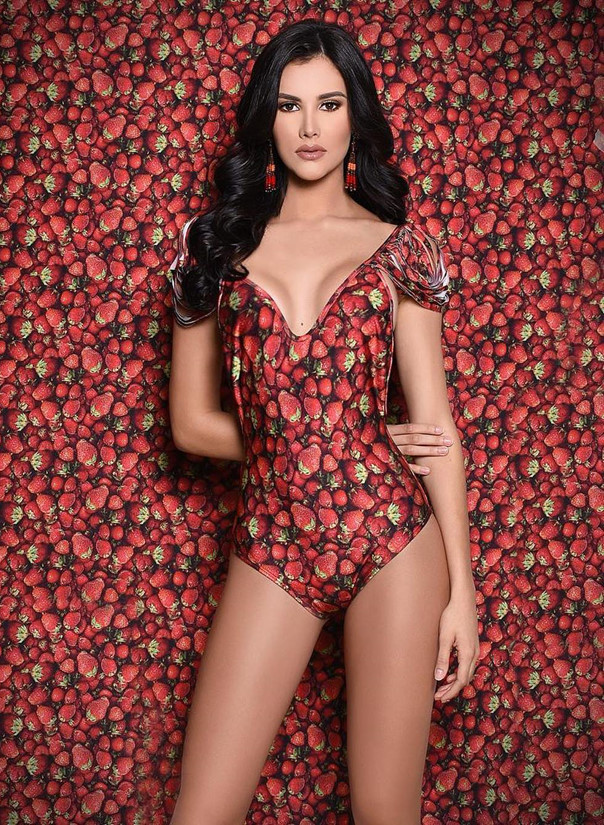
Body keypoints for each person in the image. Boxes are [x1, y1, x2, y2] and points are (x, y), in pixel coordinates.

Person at [168, 19, 479, 825]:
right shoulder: (214, 249)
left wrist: (463, 595)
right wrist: (320, 439)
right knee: (202, 812)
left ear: (355, 117)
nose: (310, 127)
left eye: (329, 104)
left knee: (383, 809)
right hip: (274, 543)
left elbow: (436, 430)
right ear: (266, 119)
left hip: (394, 542)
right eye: (290, 105)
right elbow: (191, 423)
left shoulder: (400, 250)